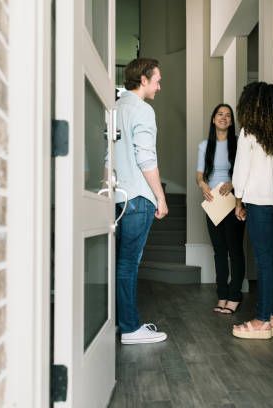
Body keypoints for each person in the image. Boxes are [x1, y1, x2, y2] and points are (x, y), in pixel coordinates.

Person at [231, 82, 273, 340]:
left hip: (258, 200)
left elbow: (241, 171)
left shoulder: (249, 132)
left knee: (263, 260)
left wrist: (238, 200)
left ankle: (260, 320)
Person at [112, 58, 169, 344]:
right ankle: (131, 328)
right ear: (143, 80)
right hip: (137, 198)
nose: (159, 86)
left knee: (116, 264)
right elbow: (146, 157)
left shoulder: (113, 107)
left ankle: (122, 322)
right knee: (128, 265)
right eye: (157, 80)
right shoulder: (143, 111)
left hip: (115, 196)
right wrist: (160, 197)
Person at [196, 104, 245, 314]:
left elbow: (245, 171)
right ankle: (222, 295)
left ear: (232, 122)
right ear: (213, 119)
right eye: (220, 114)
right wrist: (202, 185)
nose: (224, 118)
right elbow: (199, 175)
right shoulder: (204, 146)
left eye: (228, 115)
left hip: (234, 203)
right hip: (213, 203)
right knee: (219, 251)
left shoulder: (240, 144)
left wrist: (233, 183)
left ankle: (234, 296)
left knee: (235, 250)